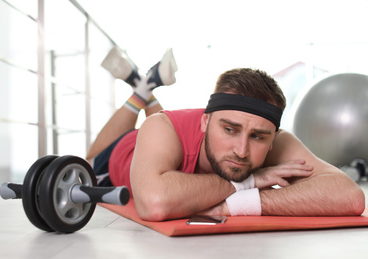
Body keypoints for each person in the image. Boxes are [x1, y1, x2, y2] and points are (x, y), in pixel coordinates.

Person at [86, 49, 365, 221]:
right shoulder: (161, 127)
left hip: (167, 143)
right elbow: (155, 203)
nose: (241, 150)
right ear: (205, 121)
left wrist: (242, 203)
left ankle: (145, 82)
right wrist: (251, 181)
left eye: (257, 137)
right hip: (121, 155)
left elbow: (349, 197)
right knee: (87, 161)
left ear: (272, 137)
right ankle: (141, 90)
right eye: (229, 130)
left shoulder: (275, 138)